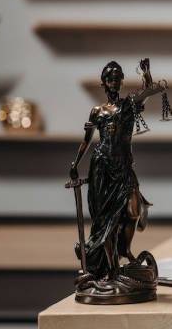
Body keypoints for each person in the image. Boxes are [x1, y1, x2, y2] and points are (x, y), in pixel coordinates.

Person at [69, 60, 165, 281]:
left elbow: (147, 91)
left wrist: (147, 74)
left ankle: (125, 250)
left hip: (123, 167)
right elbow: (87, 141)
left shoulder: (128, 105)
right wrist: (75, 164)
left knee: (132, 211)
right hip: (102, 168)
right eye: (110, 79)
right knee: (106, 222)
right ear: (104, 83)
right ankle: (112, 271)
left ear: (121, 82)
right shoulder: (97, 111)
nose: (114, 82)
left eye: (118, 78)